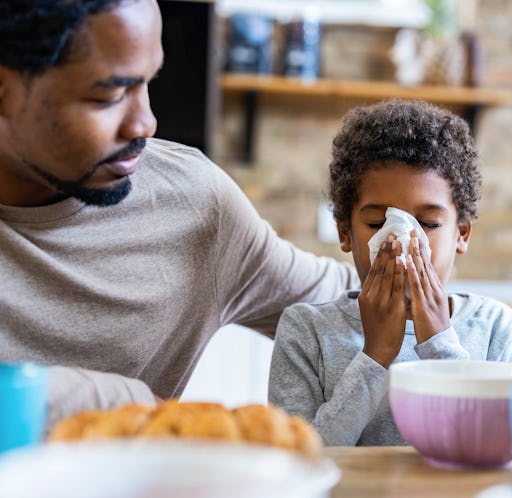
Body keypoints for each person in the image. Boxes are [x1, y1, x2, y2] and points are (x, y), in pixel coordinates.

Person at [0, 0, 357, 430]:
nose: (145, 123)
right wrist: (125, 399)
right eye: (110, 94)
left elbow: (352, 305)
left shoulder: (195, 207)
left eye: (149, 82)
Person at [268, 99, 512, 446]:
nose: (404, 244)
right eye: (377, 223)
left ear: (461, 234)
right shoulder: (306, 332)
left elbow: (500, 449)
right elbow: (297, 462)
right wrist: (374, 357)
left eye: (429, 224)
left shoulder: (497, 329)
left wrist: (440, 346)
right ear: (345, 232)